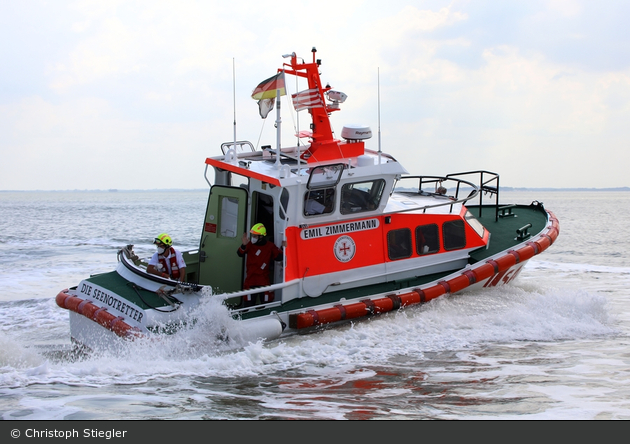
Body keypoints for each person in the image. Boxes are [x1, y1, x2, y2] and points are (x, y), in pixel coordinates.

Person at [237, 223, 283, 307]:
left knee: (266, 305)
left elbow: (279, 257)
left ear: (261, 236)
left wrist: (284, 247)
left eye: (255, 236)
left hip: (263, 280)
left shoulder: (270, 246)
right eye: (252, 235)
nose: (253, 238)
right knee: (248, 306)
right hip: (250, 280)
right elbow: (240, 253)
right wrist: (243, 245)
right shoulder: (249, 244)